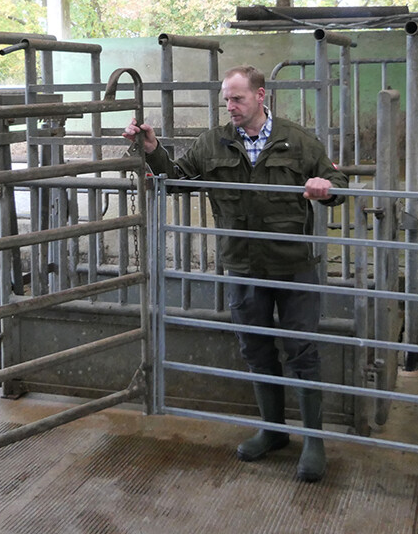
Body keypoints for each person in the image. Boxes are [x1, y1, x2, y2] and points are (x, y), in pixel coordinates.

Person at [123, 65, 348, 483]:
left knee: (301, 350)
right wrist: (153, 150)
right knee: (256, 348)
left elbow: (337, 181)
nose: (230, 106)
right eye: (226, 99)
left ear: (261, 96)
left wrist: (325, 186)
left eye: (238, 98)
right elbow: (178, 181)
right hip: (242, 264)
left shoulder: (297, 140)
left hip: (293, 265)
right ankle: (273, 431)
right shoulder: (213, 142)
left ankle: (314, 441)